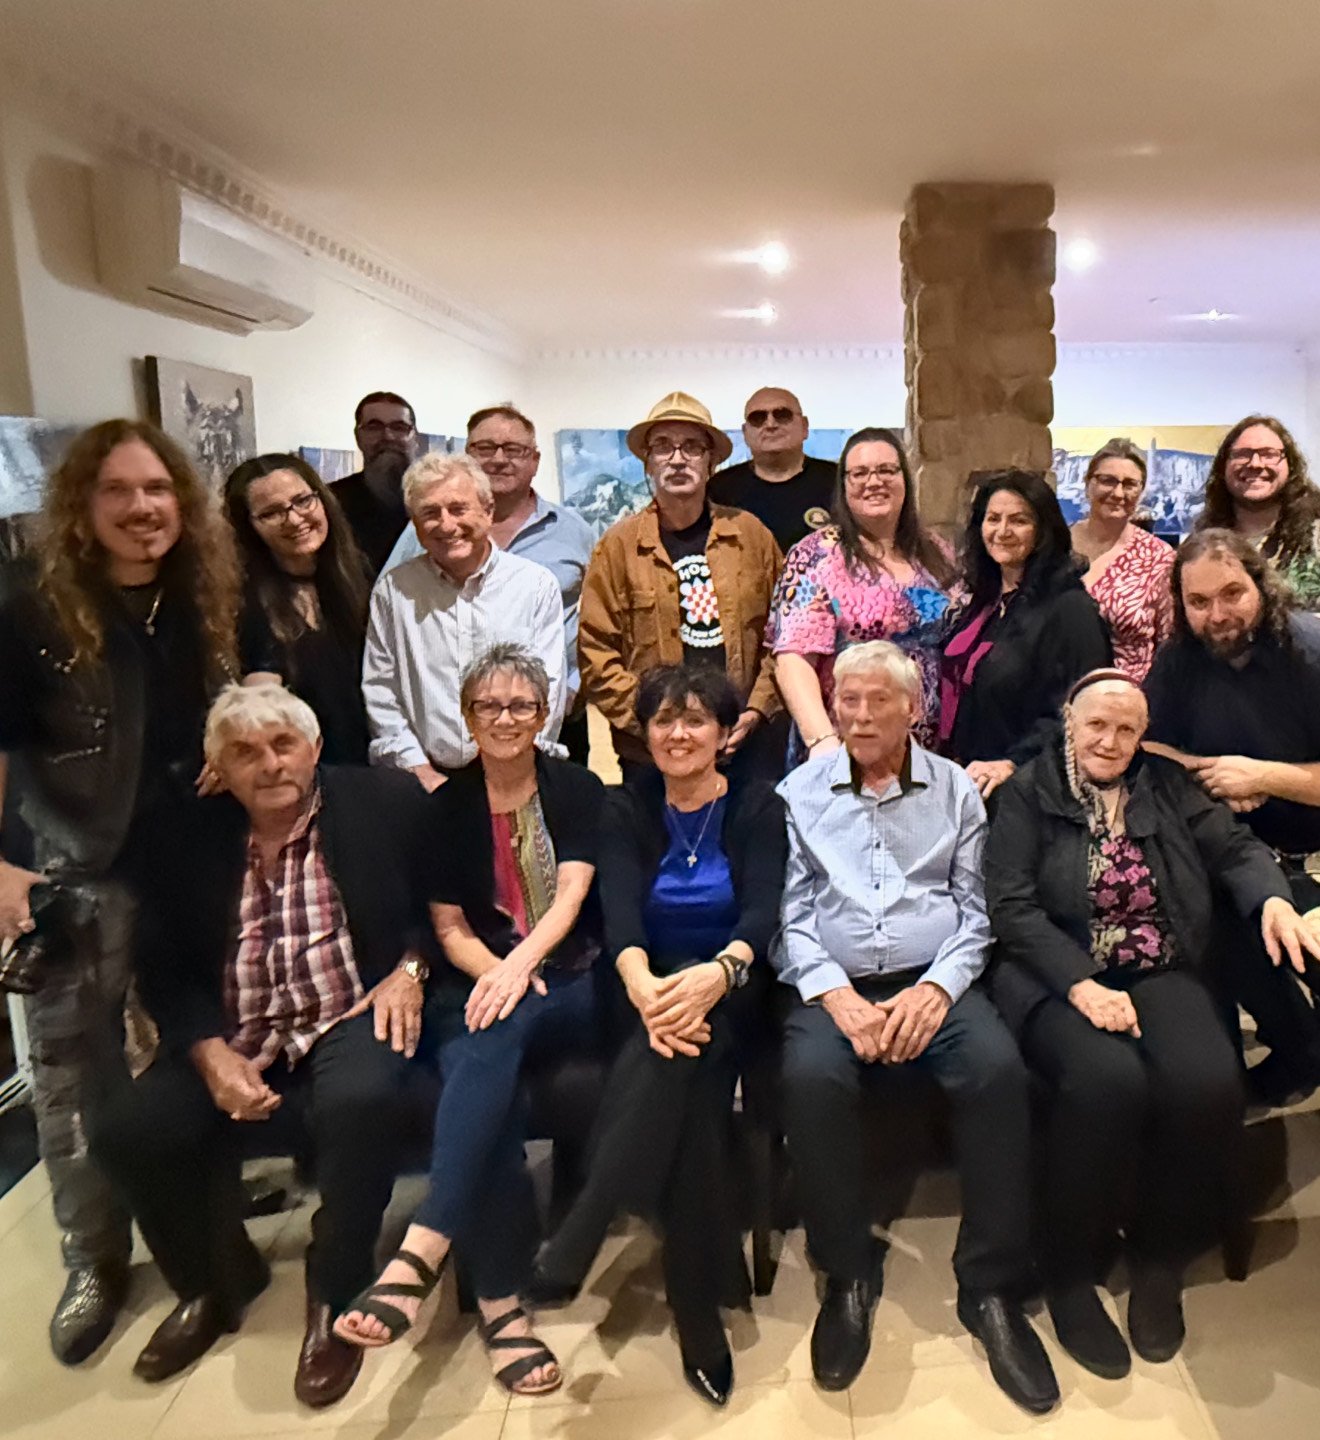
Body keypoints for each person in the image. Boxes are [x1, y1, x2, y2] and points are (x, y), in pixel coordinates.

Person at [90, 684, 434, 1405]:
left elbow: (436, 907)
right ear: (218, 765)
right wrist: (206, 1050)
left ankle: (334, 1291)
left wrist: (409, 969)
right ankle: (212, 1284)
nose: (269, 765)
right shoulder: (184, 834)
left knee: (363, 1099)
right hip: (236, 1028)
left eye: (284, 745)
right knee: (125, 1128)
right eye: (245, 752)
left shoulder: (381, 802)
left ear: (313, 749)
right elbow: (161, 964)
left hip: (347, 1010)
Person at [986, 669, 1320, 1377]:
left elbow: (1235, 850)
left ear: (1142, 736)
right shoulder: (1026, 794)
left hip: (1159, 965)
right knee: (1106, 1084)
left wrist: (1270, 902)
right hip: (1056, 971)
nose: (1110, 740)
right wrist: (1079, 984)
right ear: (1069, 721)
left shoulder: (1168, 787)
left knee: (1208, 1086)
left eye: (1126, 729)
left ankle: (1161, 1257)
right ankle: (1071, 1271)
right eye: (1096, 725)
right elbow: (1012, 909)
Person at [0, 419, 238, 1365]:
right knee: (70, 1078)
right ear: (82, 508)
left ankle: (201, 1221)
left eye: (158, 491)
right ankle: (92, 1256)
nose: (142, 509)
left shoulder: (204, 598)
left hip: (195, 867)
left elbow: (239, 689)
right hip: (70, 874)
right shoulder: (29, 612)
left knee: (188, 1052)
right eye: (119, 492)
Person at [773, 640, 1057, 1414]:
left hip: (936, 981)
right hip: (836, 987)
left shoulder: (957, 792)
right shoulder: (800, 792)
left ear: (913, 710)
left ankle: (991, 1287)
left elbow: (976, 913)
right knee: (810, 1079)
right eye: (848, 700)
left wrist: (936, 989)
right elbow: (791, 920)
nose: (860, 716)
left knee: (997, 1071)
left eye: (877, 702)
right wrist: (837, 997)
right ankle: (848, 1273)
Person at [334, 644, 605, 1396]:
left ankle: (422, 1249)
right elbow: (451, 930)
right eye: (491, 706)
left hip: (572, 978)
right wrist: (502, 975)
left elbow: (575, 897)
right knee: (495, 1088)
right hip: (486, 982)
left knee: (491, 1031)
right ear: (467, 716)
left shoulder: (576, 788)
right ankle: (502, 1307)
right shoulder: (444, 808)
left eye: (522, 705)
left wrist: (520, 971)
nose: (507, 718)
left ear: (545, 714)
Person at [526, 665, 787, 1409]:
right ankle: (697, 1308)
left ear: (724, 732)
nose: (678, 734)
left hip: (734, 988)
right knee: (691, 1090)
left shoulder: (758, 807)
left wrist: (718, 977)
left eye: (696, 719)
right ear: (643, 733)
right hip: (645, 984)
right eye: (664, 720)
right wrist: (644, 987)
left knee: (688, 1057)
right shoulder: (624, 805)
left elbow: (761, 917)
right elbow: (620, 915)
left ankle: (587, 1222)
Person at [1144, 528, 1320, 1103]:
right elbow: (1148, 747)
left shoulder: (1311, 649)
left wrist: (1263, 776)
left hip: (1317, 862)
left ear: (1260, 586)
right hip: (1237, 861)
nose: (1217, 614)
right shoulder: (1180, 662)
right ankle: (1297, 1054)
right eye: (1198, 602)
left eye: (1232, 593)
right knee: (1216, 929)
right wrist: (1210, 773)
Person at [578, 391, 783, 778]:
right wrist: (660, 724)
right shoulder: (617, 548)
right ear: (647, 463)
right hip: (650, 757)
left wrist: (757, 709)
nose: (677, 459)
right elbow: (596, 654)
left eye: (691, 447)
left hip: (745, 747)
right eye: (663, 447)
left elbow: (784, 635)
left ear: (710, 461)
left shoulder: (751, 536)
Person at [383, 405, 596, 764]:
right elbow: (394, 611)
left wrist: (573, 688)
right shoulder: (426, 532)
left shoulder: (576, 533)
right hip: (448, 728)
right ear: (468, 456)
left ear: (535, 460)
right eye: (485, 448)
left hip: (552, 720)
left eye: (513, 449)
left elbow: (597, 620)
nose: (498, 460)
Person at [363, 452, 566, 790]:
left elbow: (549, 687)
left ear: (487, 511)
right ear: (415, 523)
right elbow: (381, 691)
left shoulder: (534, 586)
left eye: (458, 509)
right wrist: (420, 772)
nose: (446, 525)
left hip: (516, 776)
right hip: (423, 781)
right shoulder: (394, 591)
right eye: (430, 512)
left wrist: (513, 768)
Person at [767, 426, 958, 759]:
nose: (874, 482)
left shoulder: (938, 552)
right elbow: (793, 659)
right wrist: (821, 741)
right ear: (844, 485)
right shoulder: (817, 556)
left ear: (905, 480)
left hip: (929, 753)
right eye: (860, 473)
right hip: (845, 749)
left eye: (887, 470)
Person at [939, 469, 1111, 801]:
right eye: (993, 519)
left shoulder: (1070, 608)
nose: (1002, 531)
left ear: (1042, 530)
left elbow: (1085, 710)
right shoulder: (984, 601)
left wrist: (1014, 763)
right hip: (973, 782)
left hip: (1030, 790)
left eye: (1018, 520)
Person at [224, 453, 372, 763]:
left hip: (375, 764)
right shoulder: (244, 603)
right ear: (248, 527)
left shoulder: (360, 575)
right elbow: (260, 698)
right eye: (271, 513)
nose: (294, 519)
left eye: (302, 501)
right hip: (303, 770)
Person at [1069, 438, 1174, 681]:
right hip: (1053, 698)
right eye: (1107, 480)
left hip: (1124, 700)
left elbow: (1170, 647)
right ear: (1087, 484)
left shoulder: (1159, 559)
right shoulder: (1055, 546)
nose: (1118, 493)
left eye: (1129, 484)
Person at [1196, 414, 1320, 610]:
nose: (1255, 463)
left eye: (1269, 454)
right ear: (1224, 465)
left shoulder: (1316, 536)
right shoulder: (1203, 541)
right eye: (1242, 454)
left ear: (1290, 464)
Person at [709, 386, 837, 552]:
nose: (770, 424)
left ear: (804, 426)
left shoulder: (838, 481)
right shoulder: (720, 489)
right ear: (745, 433)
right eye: (757, 418)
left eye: (782, 415)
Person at [329, 391, 420, 576]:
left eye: (399, 427)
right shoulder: (331, 501)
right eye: (374, 427)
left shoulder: (437, 497)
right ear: (358, 436)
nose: (388, 436)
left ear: (414, 437)